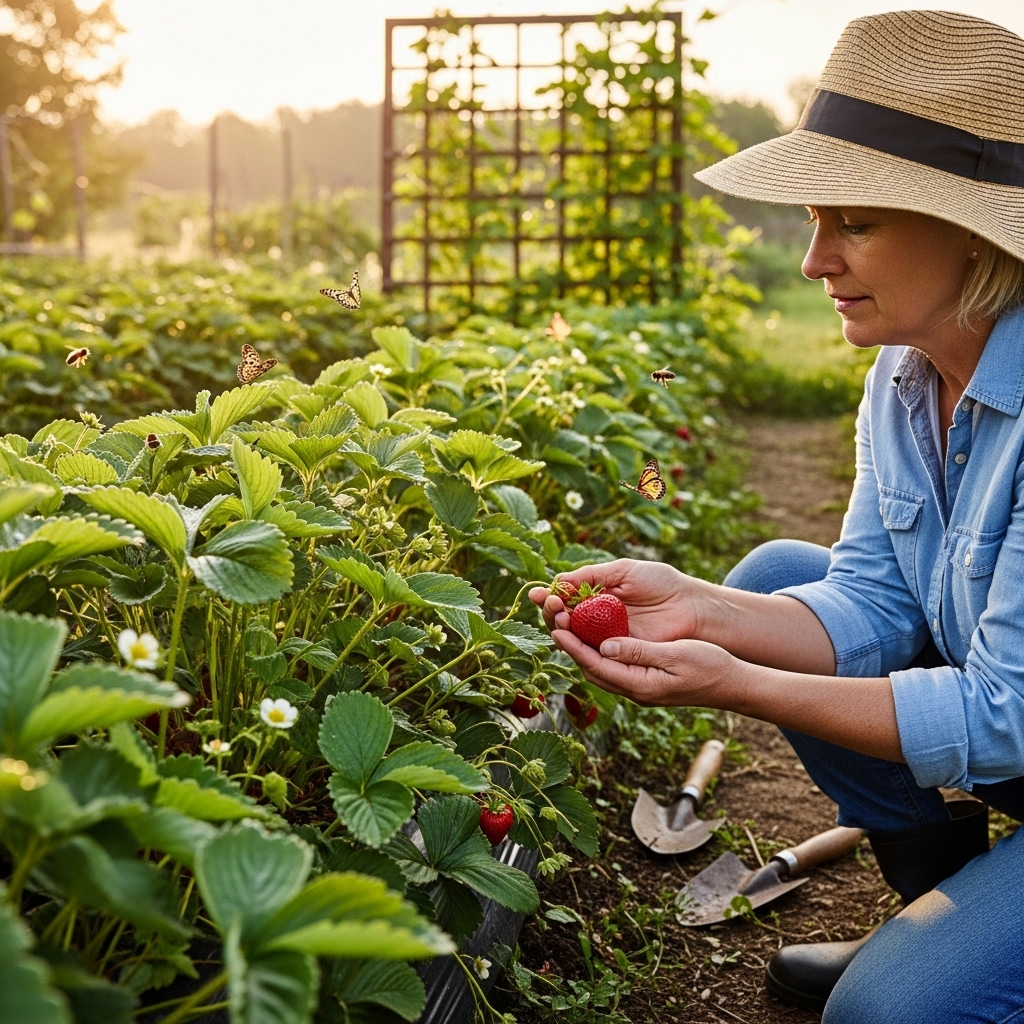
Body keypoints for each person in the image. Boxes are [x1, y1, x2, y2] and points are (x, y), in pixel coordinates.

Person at [530, 10, 1024, 1023]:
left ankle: (960, 953)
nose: (813, 262)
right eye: (813, 220)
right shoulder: (902, 378)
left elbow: (1003, 715)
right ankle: (935, 909)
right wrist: (701, 612)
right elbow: (870, 601)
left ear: (975, 232)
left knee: (880, 1015)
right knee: (760, 582)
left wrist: (739, 681)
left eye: (854, 222)